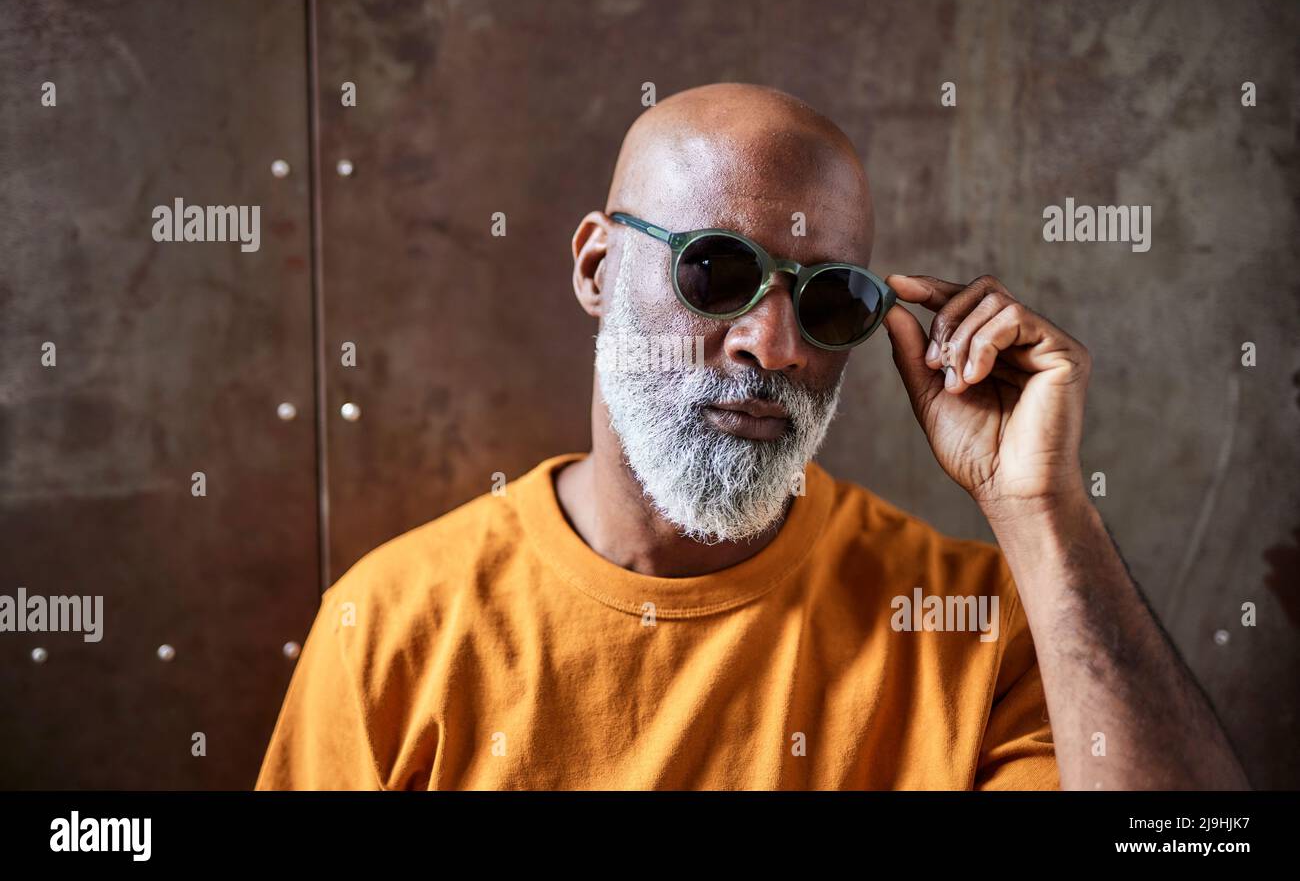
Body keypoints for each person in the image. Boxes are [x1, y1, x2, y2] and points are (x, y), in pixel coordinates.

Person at [255, 83, 1248, 790]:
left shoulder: (977, 630)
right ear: (597, 269)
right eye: (716, 274)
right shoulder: (391, 632)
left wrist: (1043, 510)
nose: (771, 346)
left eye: (829, 299)